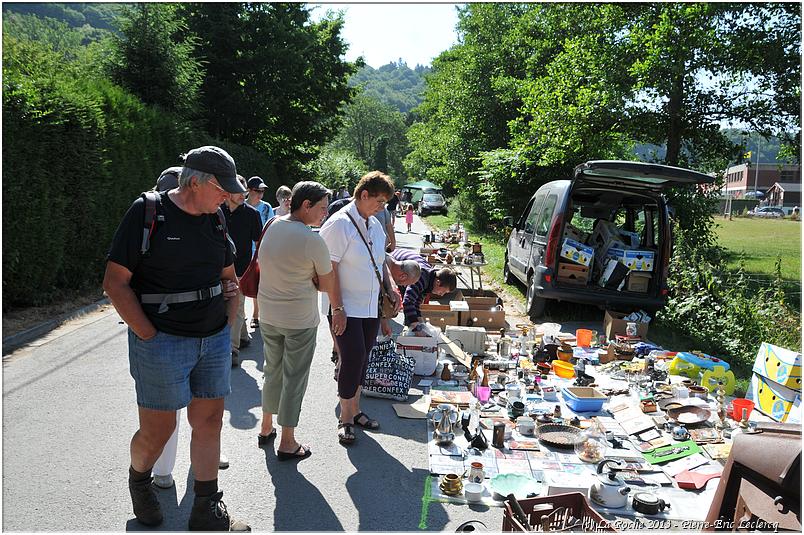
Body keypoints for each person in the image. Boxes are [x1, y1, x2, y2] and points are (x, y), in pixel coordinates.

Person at [103, 145, 250, 531]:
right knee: (159, 431)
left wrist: (227, 327)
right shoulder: (148, 212)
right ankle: (139, 480)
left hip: (212, 338)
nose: (228, 196)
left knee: (210, 422)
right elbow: (115, 284)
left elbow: (228, 278)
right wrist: (148, 335)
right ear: (197, 182)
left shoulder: (216, 217)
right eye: (222, 188)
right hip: (162, 341)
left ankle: (206, 508)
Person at [256, 181, 343, 460]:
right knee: (294, 379)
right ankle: (288, 441)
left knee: (273, 371)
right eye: (321, 208)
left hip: (269, 315)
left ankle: (266, 425)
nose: (324, 214)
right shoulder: (312, 240)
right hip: (299, 321)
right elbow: (325, 283)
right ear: (306, 205)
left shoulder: (271, 225)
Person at [319, 171, 399, 445]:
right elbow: (329, 270)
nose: (381, 207)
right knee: (351, 358)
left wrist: (391, 287)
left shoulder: (375, 225)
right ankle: (345, 418)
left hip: (370, 306)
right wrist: (337, 308)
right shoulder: (339, 224)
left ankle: (356, 409)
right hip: (346, 306)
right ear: (363, 195)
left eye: (385, 203)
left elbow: (382, 263)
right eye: (378, 201)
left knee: (363, 358)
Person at [222, 175, 263, 366]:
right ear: (227, 191)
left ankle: (232, 349)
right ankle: (243, 336)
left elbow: (259, 242)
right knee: (232, 306)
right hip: (217, 268)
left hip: (241, 269)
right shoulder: (215, 211)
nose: (243, 194)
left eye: (244, 190)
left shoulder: (252, 214)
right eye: (238, 190)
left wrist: (258, 267)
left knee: (236, 304)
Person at [389, 249, 457, 331]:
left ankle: (408, 327)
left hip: (405, 263)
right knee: (389, 304)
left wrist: (422, 324)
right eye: (443, 291)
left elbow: (416, 304)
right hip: (393, 261)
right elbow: (408, 301)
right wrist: (416, 327)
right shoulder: (421, 277)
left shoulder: (430, 282)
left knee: (412, 319)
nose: (442, 294)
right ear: (438, 282)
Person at [244, 176, 274, 329]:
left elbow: (271, 228)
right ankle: (240, 316)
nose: (260, 194)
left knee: (257, 284)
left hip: (260, 250)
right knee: (240, 284)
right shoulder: (240, 206)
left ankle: (256, 315)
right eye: (257, 191)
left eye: (262, 191)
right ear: (248, 190)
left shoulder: (267, 207)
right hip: (242, 250)